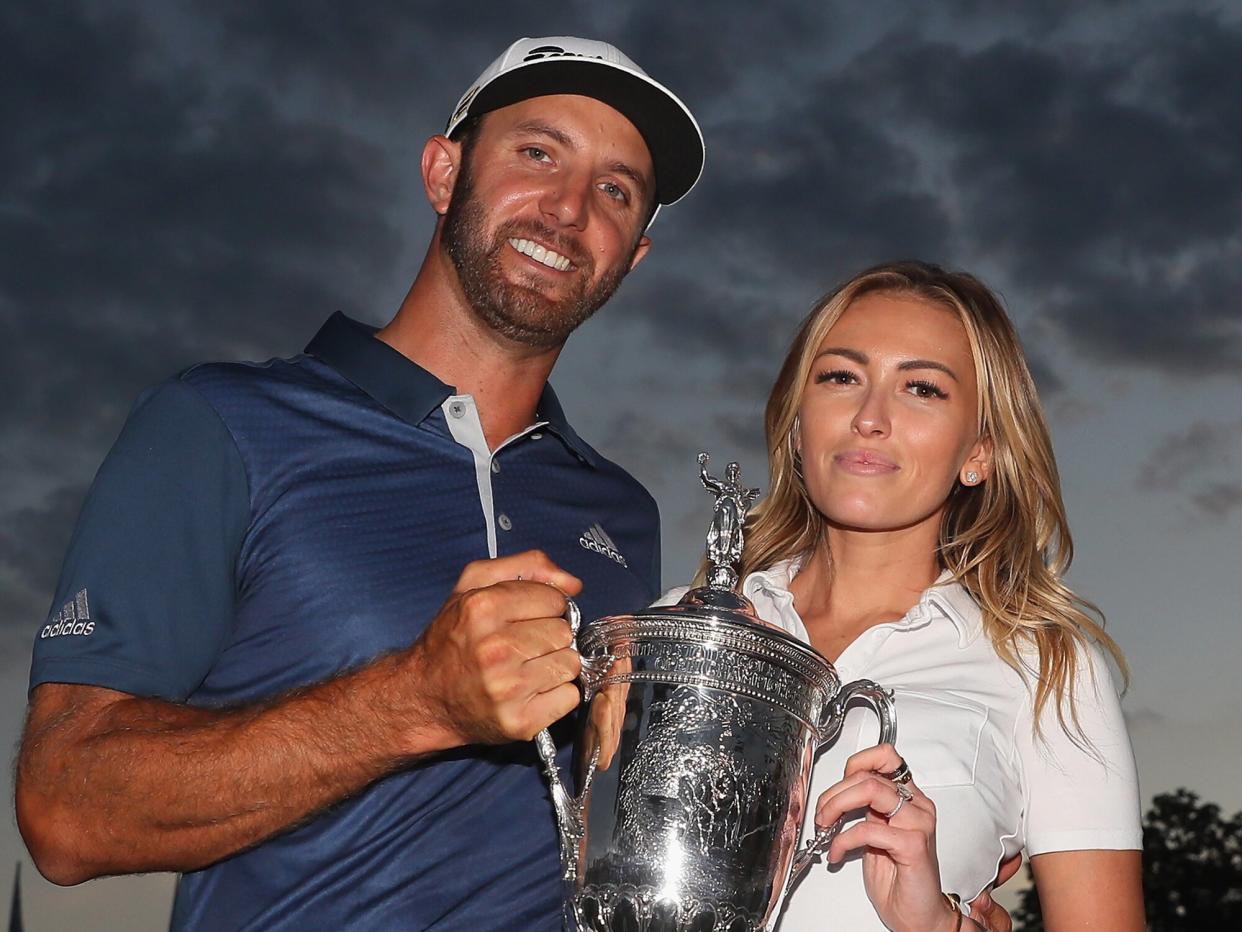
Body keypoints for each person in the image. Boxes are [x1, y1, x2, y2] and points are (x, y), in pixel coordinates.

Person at [15, 36, 704, 930]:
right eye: (537, 153)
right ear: (443, 173)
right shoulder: (219, 424)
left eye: (615, 190)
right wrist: (417, 697)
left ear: (634, 255)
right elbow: (65, 811)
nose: (569, 210)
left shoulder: (621, 513)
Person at [727, 261, 1145, 930]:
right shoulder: (672, 633)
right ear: (797, 425)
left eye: (921, 388)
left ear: (978, 452)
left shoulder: (1049, 669)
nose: (870, 417)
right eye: (840, 377)